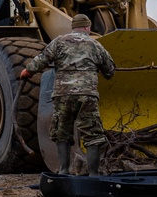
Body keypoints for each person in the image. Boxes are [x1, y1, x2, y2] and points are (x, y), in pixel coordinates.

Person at [20, 14, 115, 175]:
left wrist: (27, 71)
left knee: (62, 133)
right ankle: (93, 174)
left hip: (63, 95)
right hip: (87, 95)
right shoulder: (95, 45)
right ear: (87, 28)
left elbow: (41, 60)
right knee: (92, 135)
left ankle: (63, 170)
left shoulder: (58, 42)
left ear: (74, 27)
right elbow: (110, 71)